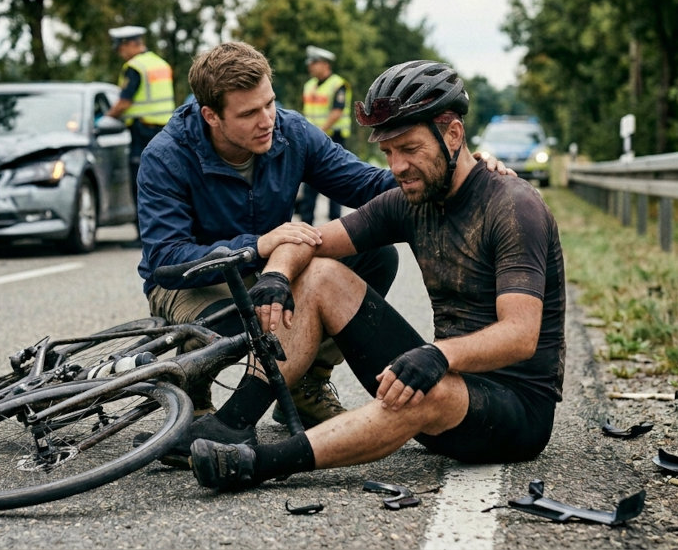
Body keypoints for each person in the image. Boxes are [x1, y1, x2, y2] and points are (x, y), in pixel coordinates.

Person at [186, 60, 566, 492]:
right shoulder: (412, 199)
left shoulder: (514, 207)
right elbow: (309, 239)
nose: (398, 166)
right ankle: (232, 424)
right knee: (320, 274)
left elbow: (520, 335)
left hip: (513, 414)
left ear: (453, 135)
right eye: (388, 153)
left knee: (428, 391)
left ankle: (255, 464)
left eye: (409, 148)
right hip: (439, 381)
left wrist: (439, 356)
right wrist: (276, 274)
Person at [137, 41, 402, 437]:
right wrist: (256, 245)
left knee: (376, 256)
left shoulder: (292, 132)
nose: (266, 121)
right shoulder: (166, 155)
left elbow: (367, 184)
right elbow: (166, 259)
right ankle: (192, 386)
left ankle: (306, 383)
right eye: (248, 113)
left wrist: (454, 173)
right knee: (239, 323)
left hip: (267, 268)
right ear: (211, 115)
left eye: (269, 103)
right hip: (193, 280)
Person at [104, 26, 175, 225]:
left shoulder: (135, 67)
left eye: (120, 48)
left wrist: (105, 119)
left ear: (129, 44)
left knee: (141, 181)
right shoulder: (161, 64)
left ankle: (143, 230)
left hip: (142, 132)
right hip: (166, 132)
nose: (120, 54)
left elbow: (124, 103)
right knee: (164, 181)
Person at [295, 46, 352, 224]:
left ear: (325, 64)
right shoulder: (309, 85)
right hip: (312, 140)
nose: (310, 66)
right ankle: (306, 222)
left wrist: (318, 131)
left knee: (336, 179)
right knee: (309, 180)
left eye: (314, 63)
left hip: (334, 138)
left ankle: (336, 222)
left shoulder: (338, 84)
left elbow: (337, 112)